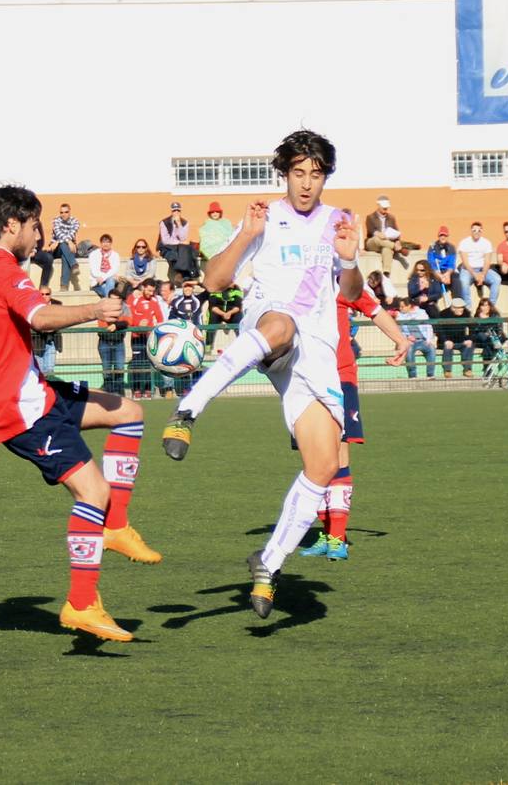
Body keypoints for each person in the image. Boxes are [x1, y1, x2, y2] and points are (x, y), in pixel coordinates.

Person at [0, 182, 162, 642]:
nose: (39, 235)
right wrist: (95, 308)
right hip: (21, 409)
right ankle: (82, 604)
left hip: (34, 392)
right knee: (93, 492)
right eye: (35, 225)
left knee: (128, 411)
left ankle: (116, 527)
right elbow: (39, 317)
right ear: (11, 225)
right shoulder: (5, 270)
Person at [160, 129, 362, 619]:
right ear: (284, 174)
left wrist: (351, 258)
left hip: (317, 352)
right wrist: (247, 235)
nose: (307, 183)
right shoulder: (264, 216)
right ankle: (188, 410)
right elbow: (215, 280)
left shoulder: (339, 222)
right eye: (298, 173)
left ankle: (269, 563)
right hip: (270, 323)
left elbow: (352, 294)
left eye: (316, 174)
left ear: (326, 177)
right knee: (281, 325)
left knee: (323, 466)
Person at [298, 272, 410, 561]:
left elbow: (374, 310)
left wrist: (401, 340)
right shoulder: (295, 284)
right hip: (304, 381)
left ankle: (337, 538)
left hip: (339, 378)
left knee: (338, 455)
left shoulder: (341, 283)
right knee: (314, 461)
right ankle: (328, 533)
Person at [127, 278, 167, 398]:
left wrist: (156, 328)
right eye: (149, 290)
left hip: (150, 338)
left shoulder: (154, 300)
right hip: (137, 337)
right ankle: (137, 389)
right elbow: (128, 317)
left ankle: (148, 388)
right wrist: (138, 325)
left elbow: (160, 318)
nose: (151, 293)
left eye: (153, 291)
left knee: (149, 362)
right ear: (143, 287)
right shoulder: (133, 299)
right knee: (137, 363)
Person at [457, 221, 501, 308]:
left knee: (497, 279)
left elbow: (487, 261)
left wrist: (483, 275)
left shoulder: (486, 243)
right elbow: (465, 262)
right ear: (471, 231)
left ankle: (491, 307)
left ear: (482, 231)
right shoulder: (464, 242)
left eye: (479, 231)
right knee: (463, 282)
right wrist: (475, 275)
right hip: (468, 270)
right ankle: (468, 308)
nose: (476, 232)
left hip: (482, 269)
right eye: (474, 230)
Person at [97, 290, 131, 394]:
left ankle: (119, 390)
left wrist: (116, 325)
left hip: (118, 342)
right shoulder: (102, 307)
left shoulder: (125, 308)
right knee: (106, 368)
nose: (114, 302)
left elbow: (129, 321)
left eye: (116, 300)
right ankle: (108, 391)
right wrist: (117, 323)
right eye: (111, 299)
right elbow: (102, 325)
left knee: (119, 367)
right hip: (104, 341)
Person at [364, 195, 407, 274]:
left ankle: (386, 273)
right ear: (378, 206)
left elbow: (396, 231)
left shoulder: (391, 218)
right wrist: (378, 234)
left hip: (386, 242)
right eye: (383, 207)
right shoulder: (370, 217)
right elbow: (371, 231)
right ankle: (396, 248)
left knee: (387, 249)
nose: (385, 209)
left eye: (386, 207)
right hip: (373, 242)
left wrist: (397, 241)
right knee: (377, 239)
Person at [158, 202, 199, 283]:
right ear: (171, 212)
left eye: (178, 210)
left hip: (180, 247)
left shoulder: (185, 223)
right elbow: (165, 240)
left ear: (180, 212)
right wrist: (179, 242)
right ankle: (186, 275)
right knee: (181, 252)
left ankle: (180, 275)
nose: (176, 212)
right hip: (167, 247)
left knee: (189, 250)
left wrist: (179, 224)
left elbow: (183, 238)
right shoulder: (164, 222)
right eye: (174, 211)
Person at [436, 297, 474, 378]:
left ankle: (467, 369)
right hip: (447, 340)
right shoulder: (443, 314)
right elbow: (439, 330)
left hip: (460, 339)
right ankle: (447, 370)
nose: (462, 309)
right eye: (459, 308)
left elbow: (472, 327)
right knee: (447, 347)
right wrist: (445, 340)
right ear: (453, 308)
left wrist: (469, 339)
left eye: (462, 307)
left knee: (470, 345)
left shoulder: (466, 313)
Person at [398, 298, 435, 379]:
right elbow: (399, 331)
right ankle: (412, 376)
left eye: (402, 307)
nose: (400, 308)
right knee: (409, 350)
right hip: (410, 342)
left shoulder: (421, 313)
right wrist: (407, 337)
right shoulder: (400, 316)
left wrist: (429, 340)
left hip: (423, 340)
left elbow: (428, 327)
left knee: (431, 349)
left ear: (409, 306)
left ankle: (430, 375)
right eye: (400, 307)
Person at [469, 297, 506, 376]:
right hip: (481, 339)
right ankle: (489, 370)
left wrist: (490, 334)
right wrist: (481, 321)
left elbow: (499, 329)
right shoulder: (476, 317)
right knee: (482, 336)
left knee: (488, 345)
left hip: (495, 338)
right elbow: (474, 331)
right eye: (483, 305)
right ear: (480, 307)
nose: (485, 307)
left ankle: (487, 371)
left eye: (487, 305)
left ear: (490, 306)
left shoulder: (495, 316)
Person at [32, 287, 64, 376]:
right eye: (42, 294)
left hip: (51, 341)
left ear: (50, 295)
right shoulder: (33, 305)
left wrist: (53, 326)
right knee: (41, 371)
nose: (44, 296)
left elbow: (61, 320)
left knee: (50, 371)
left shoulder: (57, 305)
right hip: (38, 343)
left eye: (47, 294)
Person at [204, 279, 243, 351]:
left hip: (232, 313)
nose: (231, 283)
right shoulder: (216, 289)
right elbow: (213, 307)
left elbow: (238, 307)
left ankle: (242, 343)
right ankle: (208, 345)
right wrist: (223, 314)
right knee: (212, 318)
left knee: (239, 317)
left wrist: (229, 313)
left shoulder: (237, 290)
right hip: (219, 313)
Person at [199, 201, 233, 269]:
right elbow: (205, 239)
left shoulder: (226, 223)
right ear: (210, 214)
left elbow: (231, 235)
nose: (215, 213)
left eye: (217, 211)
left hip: (226, 250)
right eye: (213, 212)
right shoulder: (207, 225)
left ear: (220, 213)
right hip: (212, 251)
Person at [426, 226, 457, 295]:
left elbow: (452, 264)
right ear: (438, 236)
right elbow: (432, 263)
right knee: (433, 282)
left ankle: (457, 299)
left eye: (445, 235)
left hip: (447, 271)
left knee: (457, 279)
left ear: (447, 237)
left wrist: (448, 274)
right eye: (441, 235)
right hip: (436, 271)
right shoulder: (432, 247)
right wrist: (440, 276)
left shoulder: (451, 247)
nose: (443, 237)